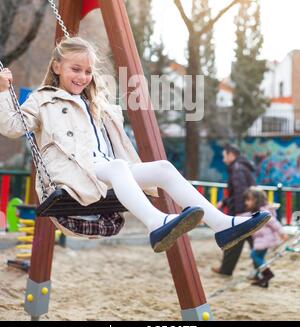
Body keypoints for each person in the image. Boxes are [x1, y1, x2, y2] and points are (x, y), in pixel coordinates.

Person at [0, 37, 270, 252]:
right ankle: (156, 223)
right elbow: (12, 127)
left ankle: (223, 225)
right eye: (75, 69)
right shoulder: (42, 99)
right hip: (72, 174)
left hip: (103, 169)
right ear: (57, 67)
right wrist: (2, 91)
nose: (82, 77)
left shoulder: (95, 102)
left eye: (88, 71)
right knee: (118, 167)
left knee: (163, 168)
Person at [212, 143, 257, 276]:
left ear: (231, 155)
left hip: (242, 213)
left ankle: (227, 270)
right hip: (247, 210)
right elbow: (236, 192)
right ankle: (261, 270)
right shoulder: (241, 167)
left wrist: (239, 213)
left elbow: (240, 192)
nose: (223, 159)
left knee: (235, 240)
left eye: (224, 155)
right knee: (250, 242)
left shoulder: (237, 169)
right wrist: (224, 202)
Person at [244, 187, 288, 288]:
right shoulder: (255, 212)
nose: (246, 202)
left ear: (257, 200)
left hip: (265, 240)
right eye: (246, 200)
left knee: (255, 255)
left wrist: (282, 233)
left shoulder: (263, 213)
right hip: (262, 240)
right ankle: (263, 280)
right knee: (260, 258)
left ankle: (267, 274)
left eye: (249, 200)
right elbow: (245, 217)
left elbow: (274, 223)